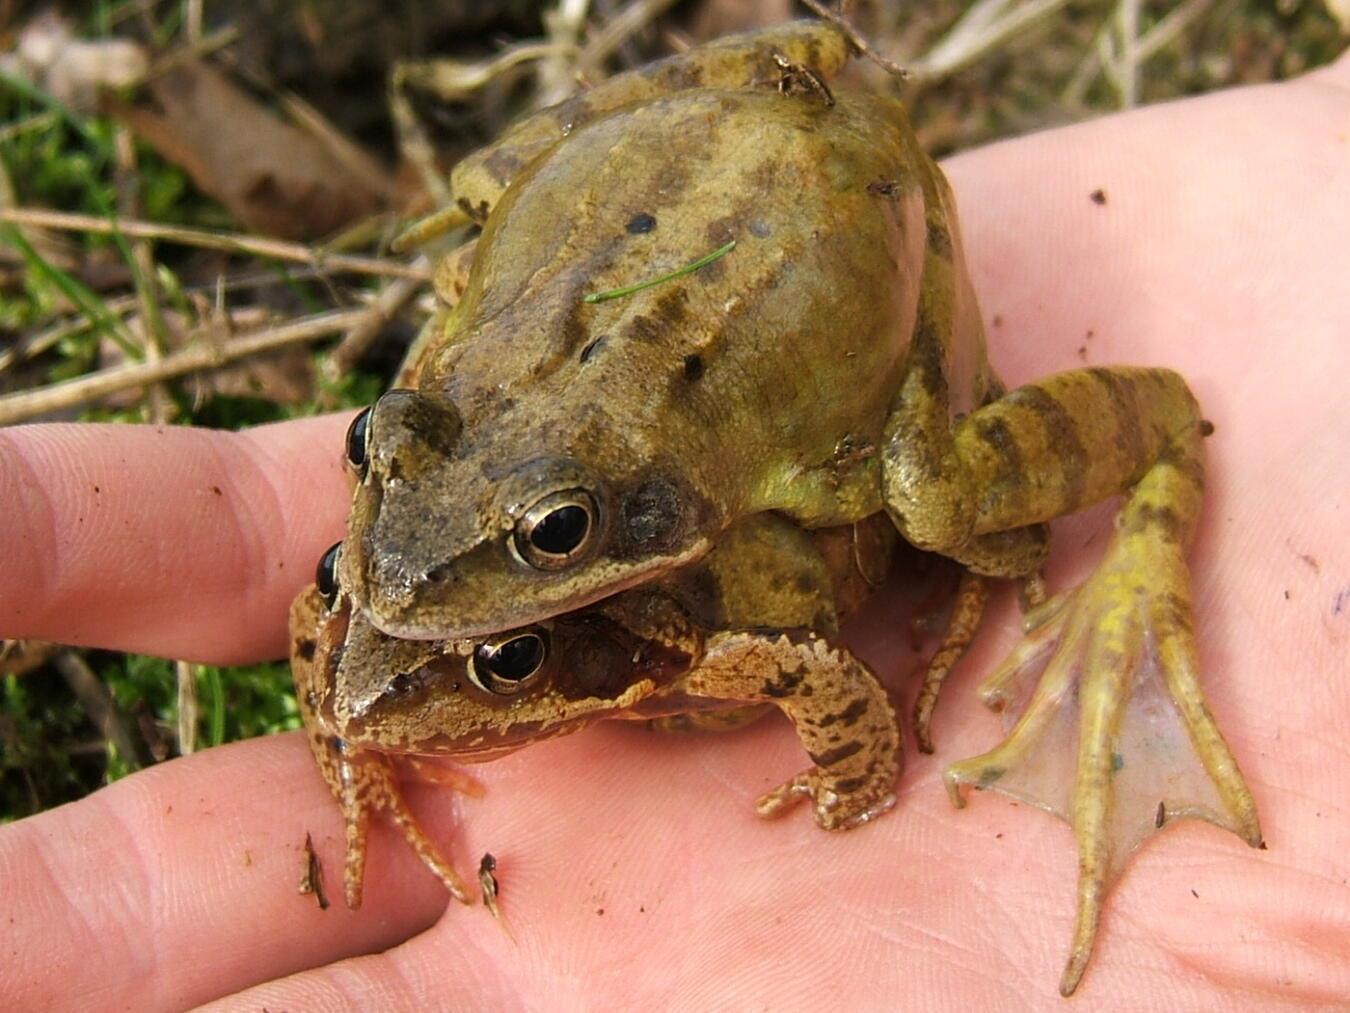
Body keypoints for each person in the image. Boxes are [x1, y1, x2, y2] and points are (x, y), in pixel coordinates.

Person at [2, 54, 1347, 1009]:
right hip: (713, 137)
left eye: (548, 536)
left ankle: (1135, 494)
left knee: (938, 504)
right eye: (382, 445)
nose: (405, 588)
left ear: (628, 522)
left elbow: (814, 646)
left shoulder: (741, 517)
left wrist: (864, 742)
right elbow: (372, 559)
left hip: (814, 263)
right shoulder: (441, 423)